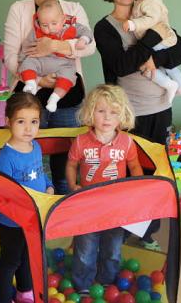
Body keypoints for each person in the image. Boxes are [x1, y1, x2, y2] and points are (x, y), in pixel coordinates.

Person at [94, 0, 181, 251]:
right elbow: (122, 65)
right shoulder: (105, 28)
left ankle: (148, 231)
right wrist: (151, 40)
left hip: (160, 109)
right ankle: (120, 232)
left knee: (154, 174)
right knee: (126, 174)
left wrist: (154, 58)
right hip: (128, 115)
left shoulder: (149, 13)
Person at [4, 0, 95, 194]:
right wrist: (40, 80)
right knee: (30, 163)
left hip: (67, 95)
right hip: (29, 94)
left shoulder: (73, 10)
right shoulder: (19, 9)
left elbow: (90, 46)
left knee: (66, 164)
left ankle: (61, 208)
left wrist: (53, 46)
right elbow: (11, 56)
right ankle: (32, 206)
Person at [66, 84, 142, 293]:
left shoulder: (126, 142)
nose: (107, 117)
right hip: (87, 204)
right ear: (91, 112)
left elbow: (134, 165)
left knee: (113, 247)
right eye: (101, 111)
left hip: (116, 206)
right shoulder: (81, 142)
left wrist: (137, 187)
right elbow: (71, 165)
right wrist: (72, 185)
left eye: (113, 112)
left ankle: (107, 281)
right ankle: (82, 285)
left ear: (122, 115)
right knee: (85, 248)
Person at [0, 92, 54, 303]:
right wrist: (27, 206)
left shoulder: (36, 146)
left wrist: (49, 186)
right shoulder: (5, 159)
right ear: (8, 122)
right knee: (11, 261)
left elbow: (41, 173)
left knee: (28, 255)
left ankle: (24, 291)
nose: (28, 129)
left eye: (34, 122)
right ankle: (2, 299)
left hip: (32, 218)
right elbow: (3, 196)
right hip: (12, 222)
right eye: (21, 121)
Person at [123, 0, 181, 102]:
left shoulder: (152, 1)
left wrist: (133, 24)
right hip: (158, 38)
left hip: (160, 38)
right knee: (164, 64)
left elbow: (151, 19)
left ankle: (170, 84)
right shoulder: (141, 1)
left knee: (146, 65)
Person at [19, 0, 93, 113]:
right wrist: (22, 60)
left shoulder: (71, 27)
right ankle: (30, 83)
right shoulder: (36, 31)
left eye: (54, 23)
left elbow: (87, 32)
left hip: (63, 64)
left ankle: (54, 98)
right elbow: (26, 47)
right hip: (40, 61)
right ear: (38, 22)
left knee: (68, 77)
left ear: (63, 19)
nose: (50, 28)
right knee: (28, 63)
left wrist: (83, 40)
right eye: (45, 25)